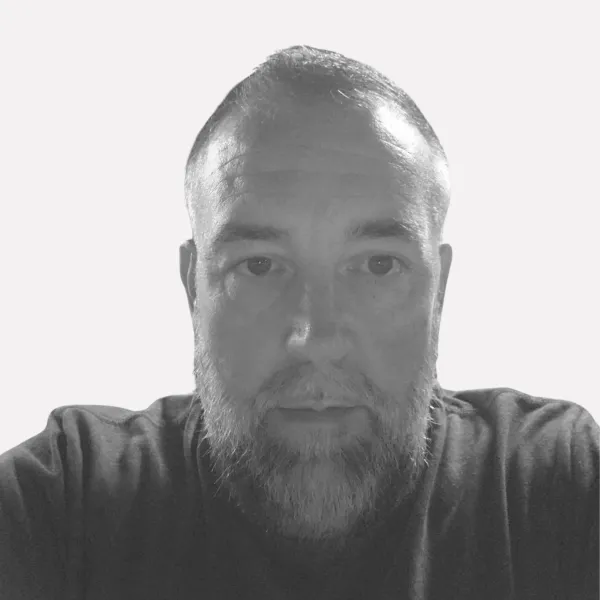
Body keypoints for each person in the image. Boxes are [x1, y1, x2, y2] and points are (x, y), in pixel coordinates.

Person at [0, 45, 597, 600]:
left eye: (378, 265)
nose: (317, 339)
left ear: (437, 291)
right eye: (259, 266)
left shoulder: (551, 491)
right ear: (193, 289)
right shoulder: (63, 506)